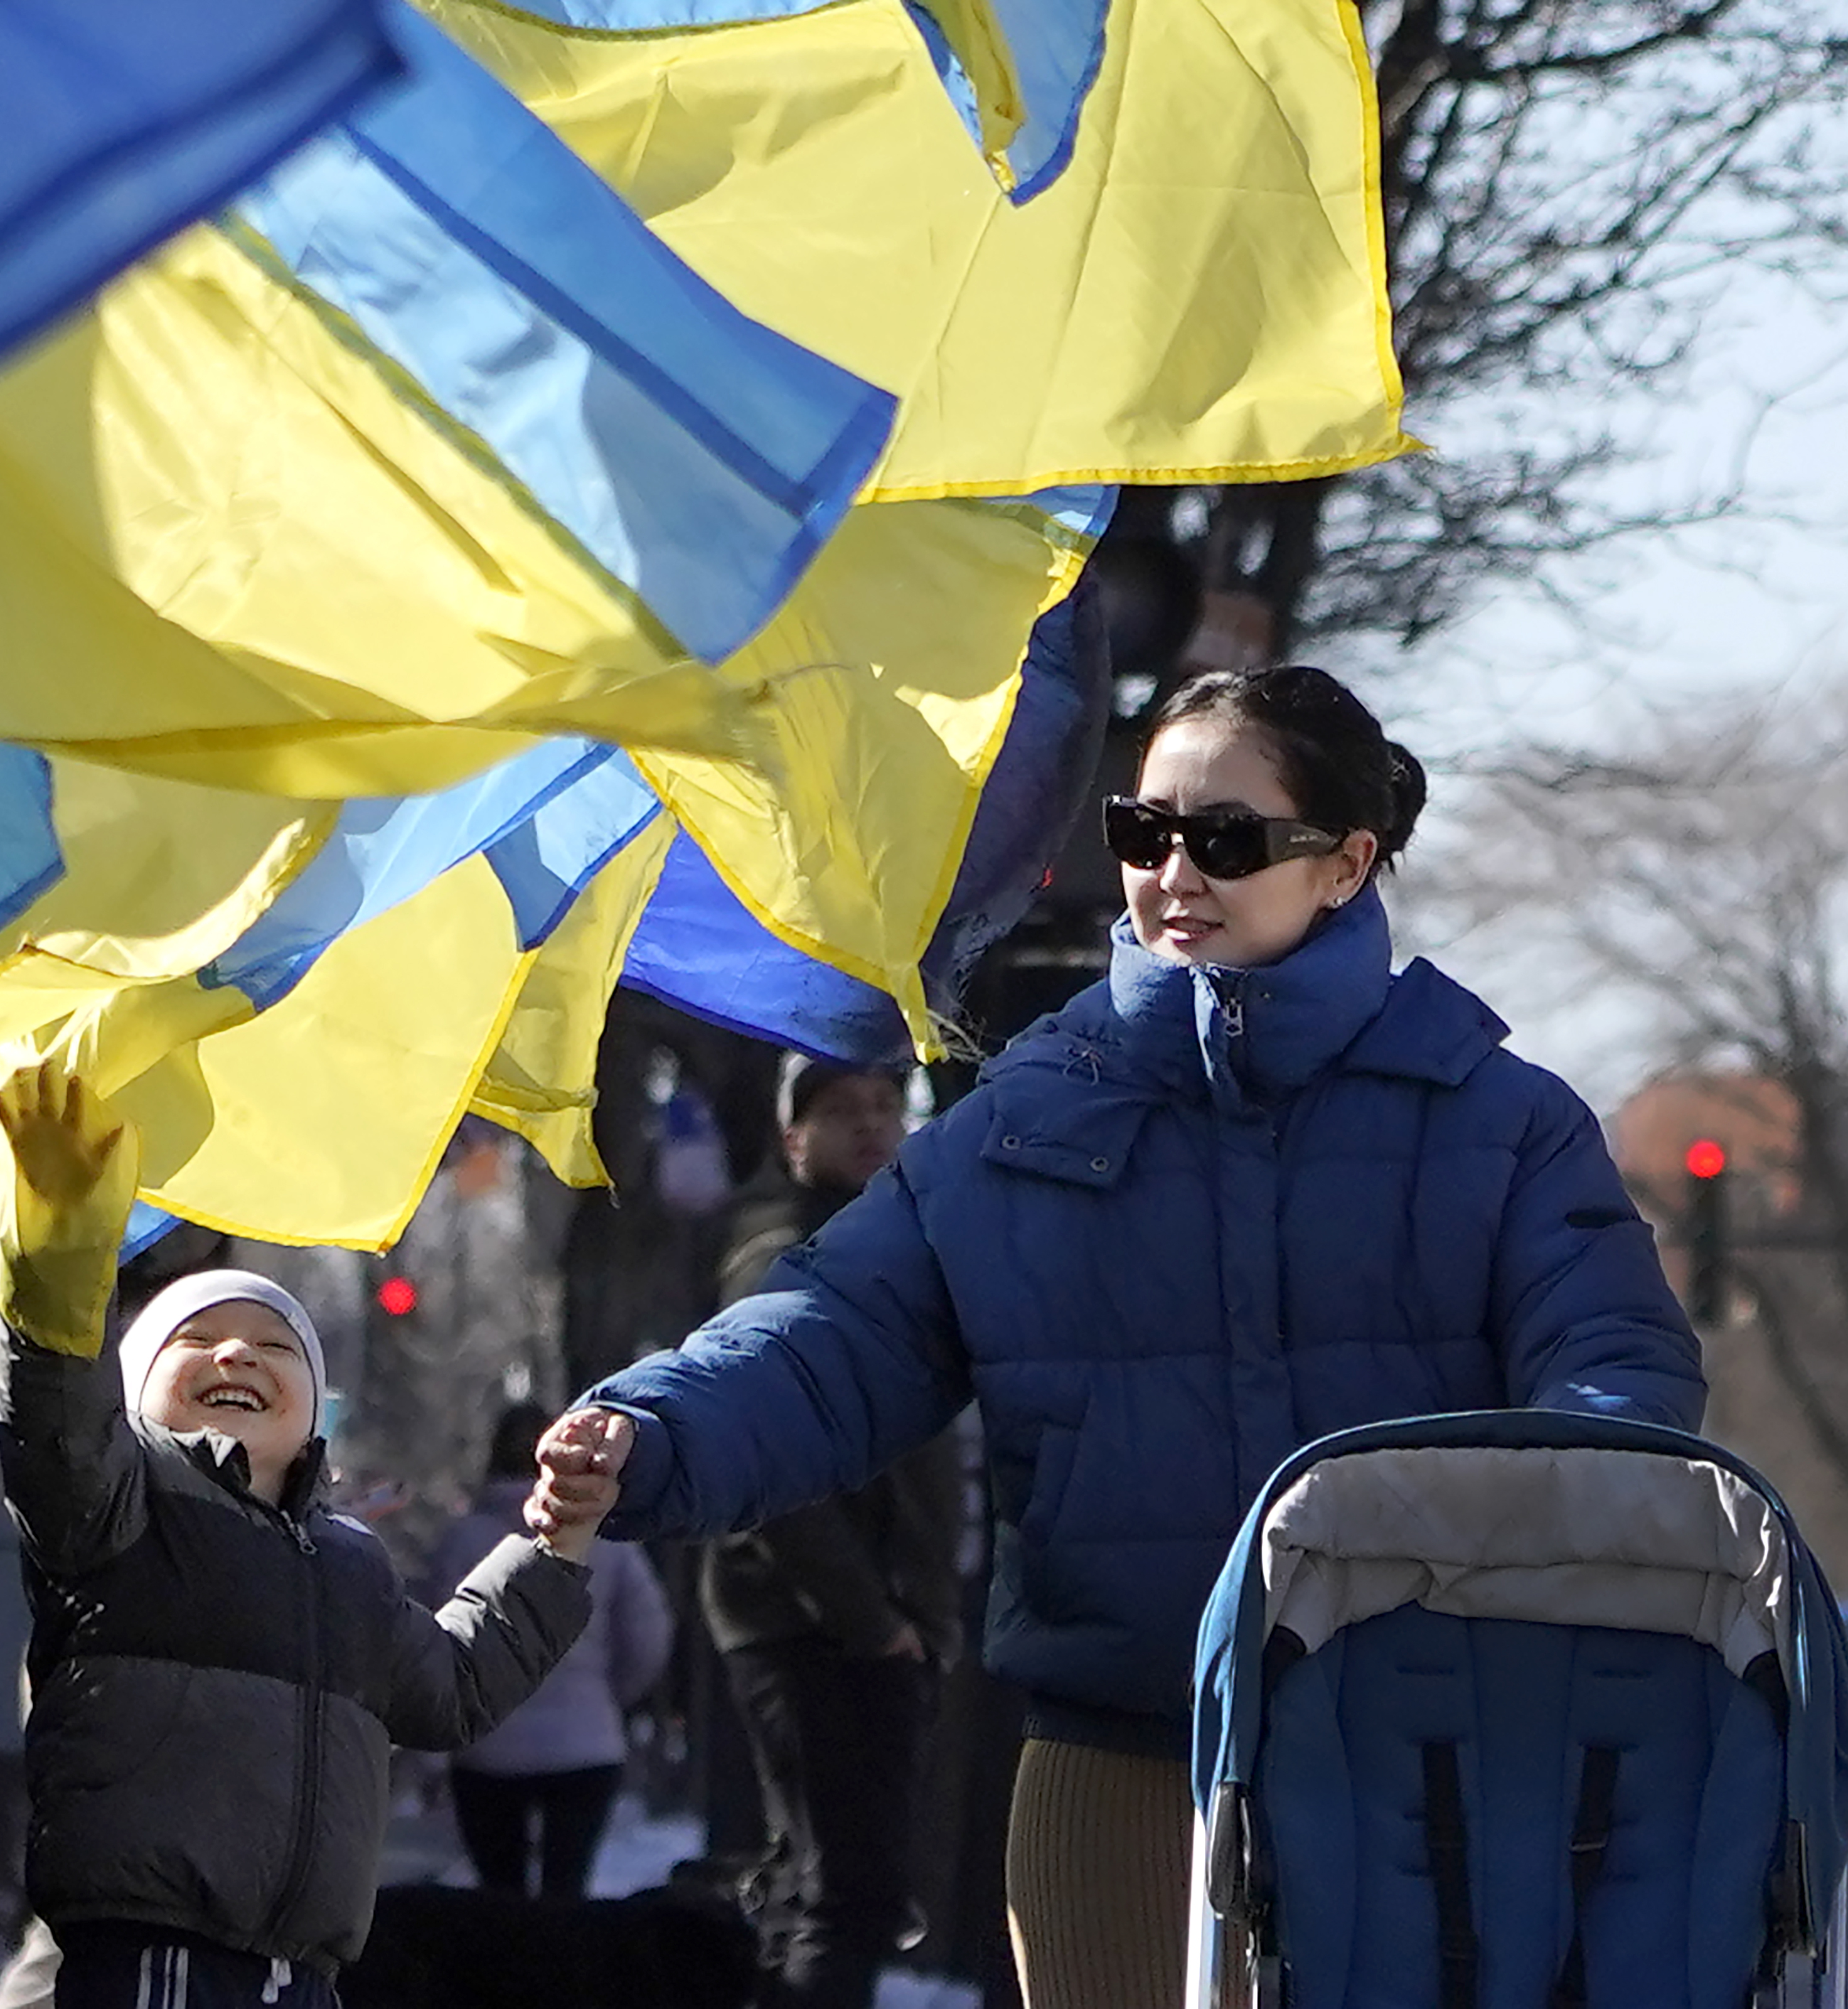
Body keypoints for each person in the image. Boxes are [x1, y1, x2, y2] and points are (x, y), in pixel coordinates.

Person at [530, 665, 1704, 2009]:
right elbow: (832, 1329)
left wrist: (1592, 1484)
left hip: (1429, 1752)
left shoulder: (1503, 1120)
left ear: (1346, 863)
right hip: (1115, 1761)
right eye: (1143, 833)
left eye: (1226, 838)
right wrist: (658, 1424)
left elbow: (1614, 1362)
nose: (1172, 874)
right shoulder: (1023, 1117)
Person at [0, 1064, 626, 2009]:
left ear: (311, 1416)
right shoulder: (119, 1504)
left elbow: (452, 1687)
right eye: (195, 1341)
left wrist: (558, 1537)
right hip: (156, 1960)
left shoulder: (351, 1564)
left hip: (302, 1976)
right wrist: (57, 1267)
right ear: (134, 1398)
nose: (237, 1352)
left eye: (273, 1344)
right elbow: (55, 1413)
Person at [698, 1056, 961, 2009]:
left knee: (821, 1880)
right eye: (842, 1109)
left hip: (869, 1619)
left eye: (888, 1105)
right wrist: (870, 1620)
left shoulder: (888, 1242)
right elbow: (770, 1467)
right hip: (818, 1624)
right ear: (791, 1137)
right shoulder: (784, 1258)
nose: (872, 1125)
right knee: (848, 1894)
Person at [426, 1402, 676, 1902]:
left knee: (500, 1897)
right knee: (567, 1895)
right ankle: (562, 1978)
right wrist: (608, 1699)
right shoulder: (604, 1538)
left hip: (486, 1748)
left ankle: (506, 1979)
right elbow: (649, 1632)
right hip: (585, 1746)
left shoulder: (462, 1539)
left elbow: (430, 1643)